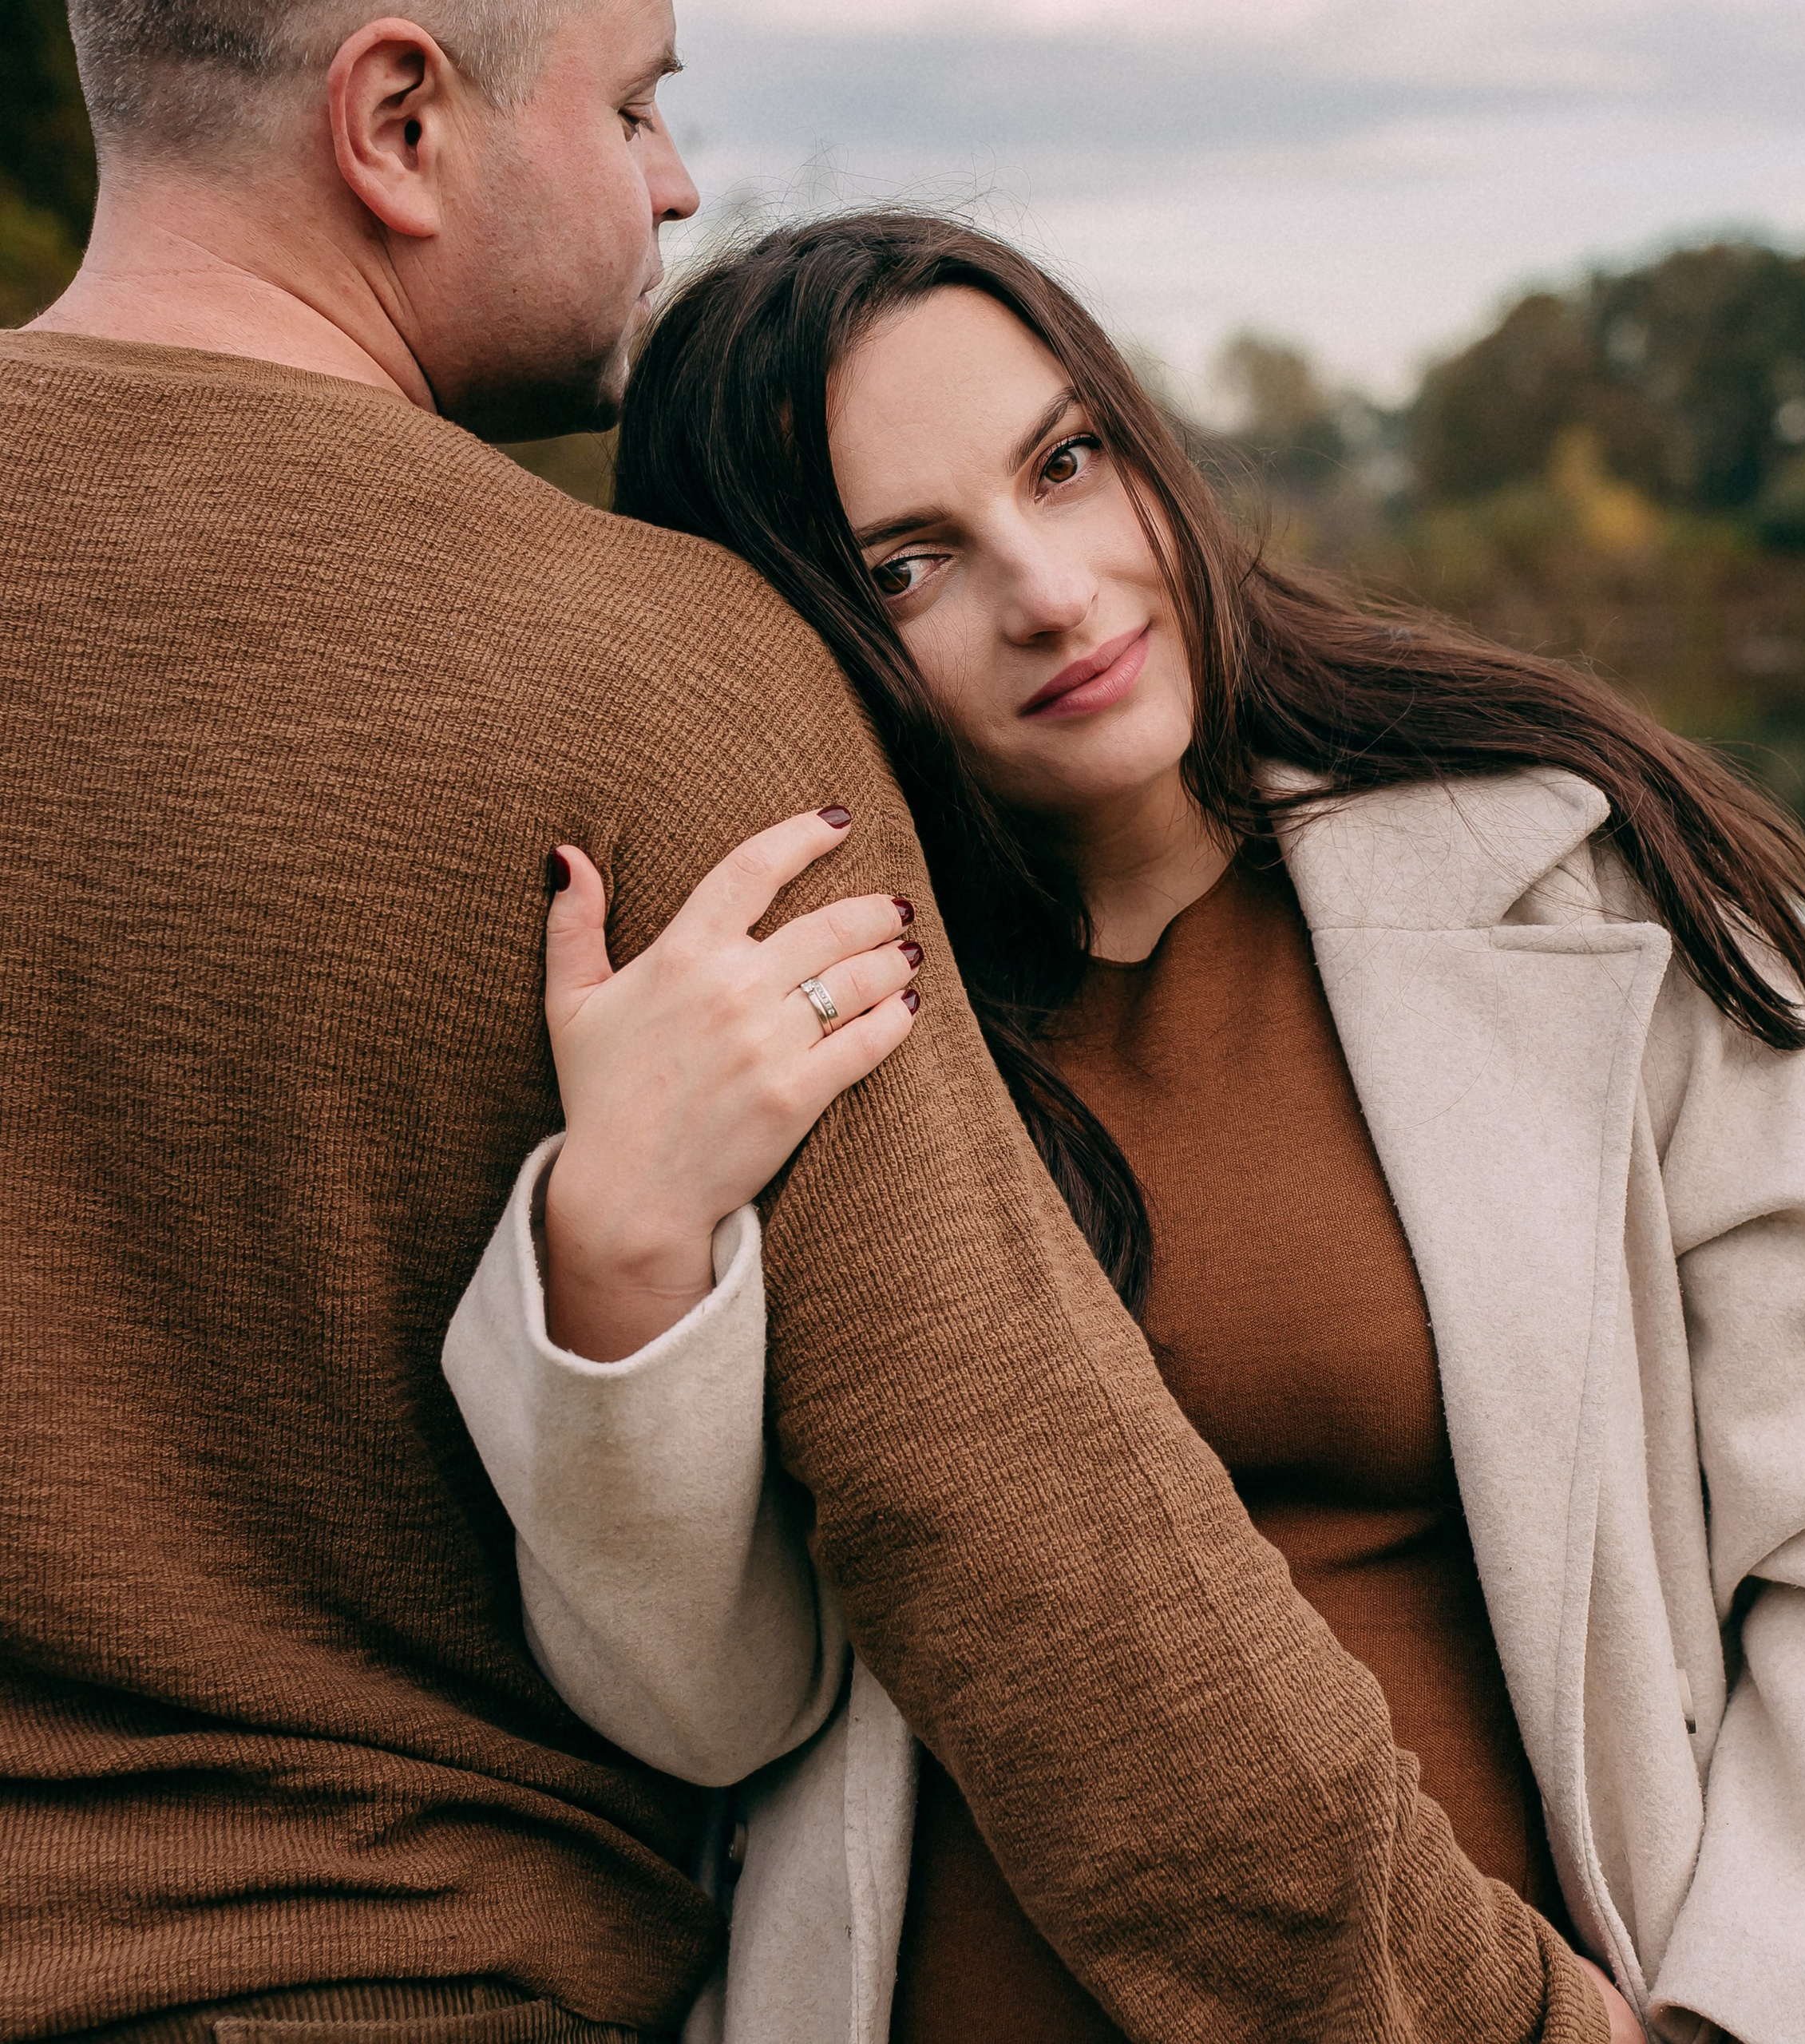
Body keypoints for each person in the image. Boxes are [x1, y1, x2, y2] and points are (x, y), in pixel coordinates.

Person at [2, 10, 1615, 2044]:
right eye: (633, 104)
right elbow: (1036, 1543)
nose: (673, 180)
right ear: (397, 123)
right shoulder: (648, 679)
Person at [441, 213, 1805, 2044]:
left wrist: (1741, 2023)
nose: (1048, 587)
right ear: (787, 634)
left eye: (1063, 461)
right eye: (905, 564)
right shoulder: (807, 1029)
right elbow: (708, 1709)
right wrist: (624, 1246)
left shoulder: (1565, 883)